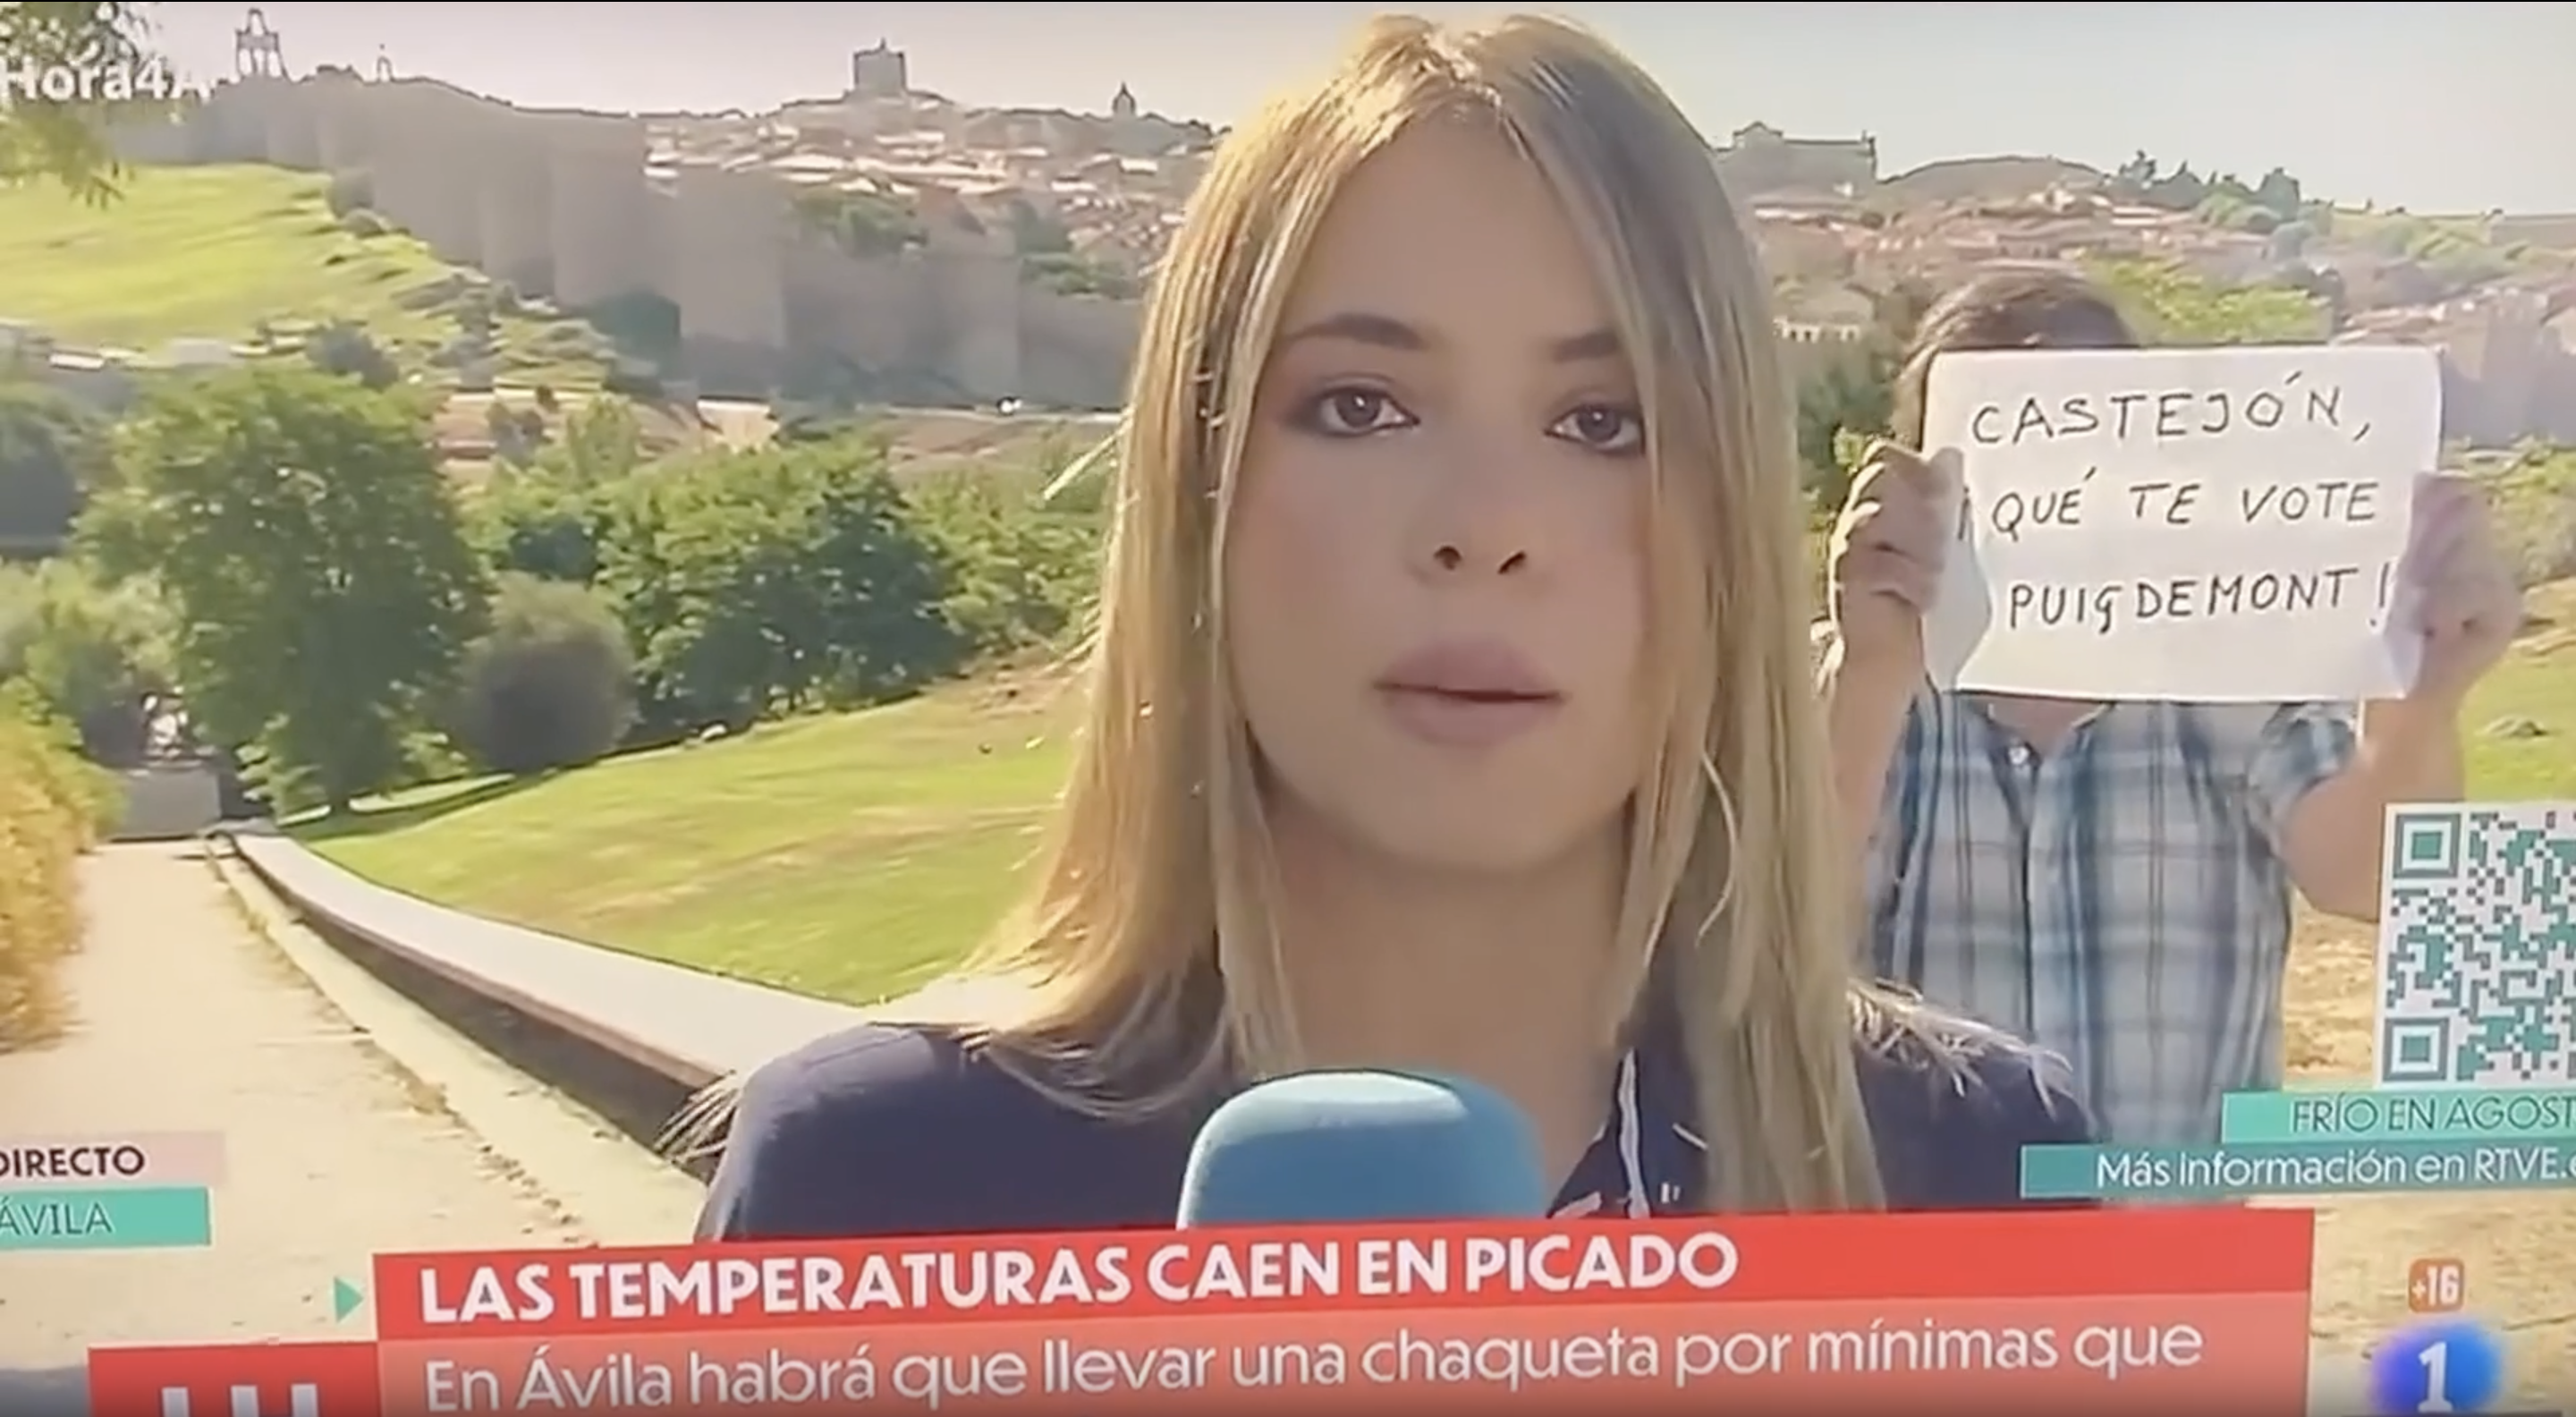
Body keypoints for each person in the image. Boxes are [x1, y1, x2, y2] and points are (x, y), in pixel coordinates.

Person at [692, 14, 2092, 1242]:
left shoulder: (1978, 1163)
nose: (1486, 528)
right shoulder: (868, 1180)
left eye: (1603, 423)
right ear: (1199, 494)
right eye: (1361, 406)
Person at [1820, 267, 2524, 1147]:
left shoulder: (2243, 675)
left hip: (2180, 1227)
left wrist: (2420, 700)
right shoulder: (1856, 685)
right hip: (1917, 1226)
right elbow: (1770, 939)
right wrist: (1868, 680)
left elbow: (2369, 880)